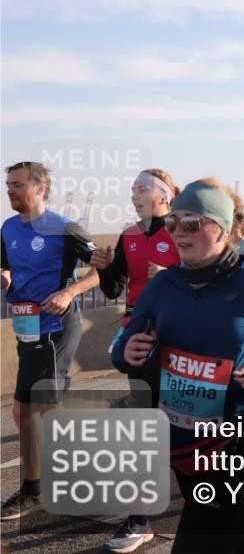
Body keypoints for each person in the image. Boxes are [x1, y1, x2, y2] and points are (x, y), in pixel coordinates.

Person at [111, 178, 244, 553]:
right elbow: (123, 343)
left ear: (222, 229)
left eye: (191, 223)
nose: (178, 232)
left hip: (241, 442)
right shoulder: (162, 287)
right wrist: (127, 352)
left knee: (204, 536)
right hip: (185, 442)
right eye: (172, 223)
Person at [90, 169, 182, 552]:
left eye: (142, 189)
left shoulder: (181, 230)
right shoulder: (128, 235)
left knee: (185, 421)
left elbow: (206, 278)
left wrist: (170, 277)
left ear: (164, 196)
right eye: (132, 190)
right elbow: (115, 289)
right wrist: (105, 266)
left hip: (180, 337)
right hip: (140, 334)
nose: (135, 195)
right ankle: (140, 519)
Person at [1, 162, 98, 520]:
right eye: (7, 184)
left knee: (35, 410)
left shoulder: (63, 228)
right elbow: (6, 268)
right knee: (26, 411)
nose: (10, 190)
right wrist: (5, 280)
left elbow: (102, 268)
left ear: (41, 188)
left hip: (56, 326)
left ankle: (43, 488)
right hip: (26, 327)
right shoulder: (8, 227)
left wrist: (69, 291)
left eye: (17, 185)